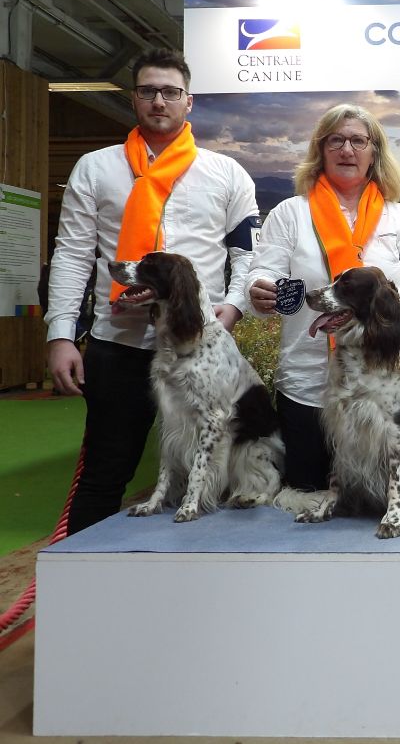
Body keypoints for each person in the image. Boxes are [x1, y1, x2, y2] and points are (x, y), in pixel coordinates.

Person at [45, 47, 260, 534]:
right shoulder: (96, 168)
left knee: (211, 469)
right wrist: (61, 334)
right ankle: (87, 591)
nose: (159, 101)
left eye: (170, 92)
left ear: (189, 101)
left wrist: (233, 308)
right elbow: (74, 255)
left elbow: (249, 257)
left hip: (198, 349)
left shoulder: (226, 174)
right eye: (148, 91)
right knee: (104, 473)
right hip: (117, 343)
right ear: (134, 99)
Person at [247, 104, 400, 491]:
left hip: (383, 388)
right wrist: (260, 287)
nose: (347, 150)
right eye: (335, 140)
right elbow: (263, 270)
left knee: (383, 496)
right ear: (320, 151)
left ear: (375, 152)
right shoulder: (289, 214)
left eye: (358, 141)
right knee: (308, 494)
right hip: (309, 385)